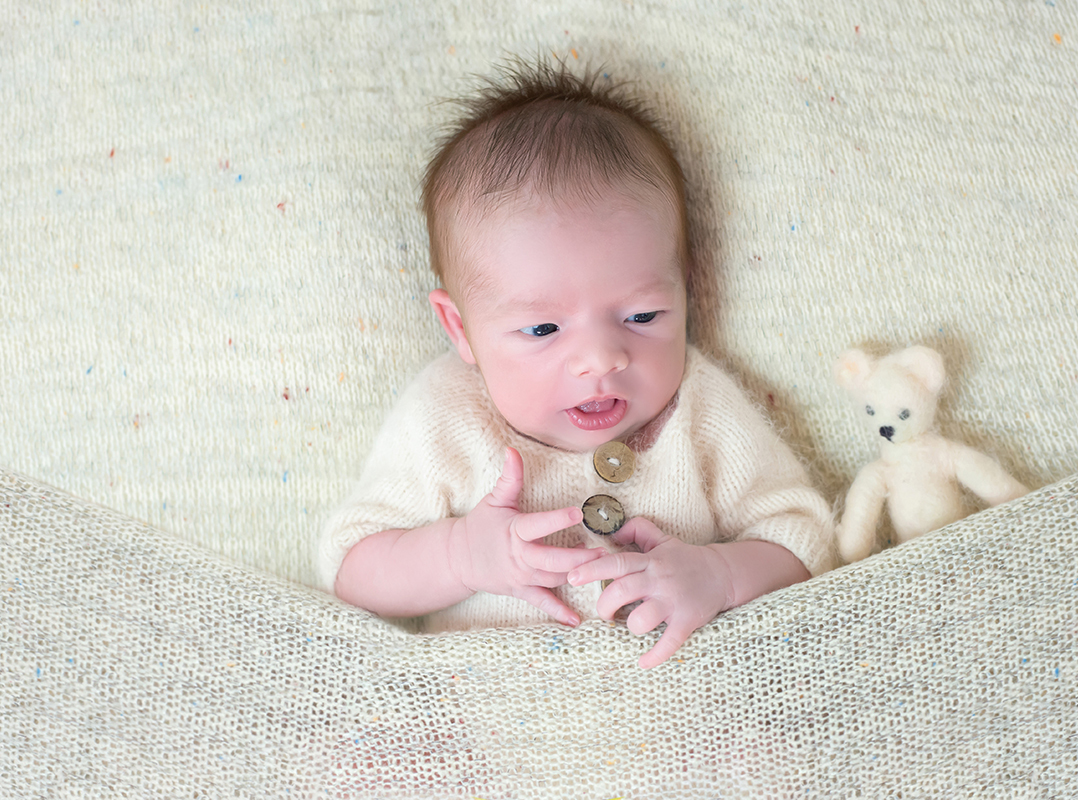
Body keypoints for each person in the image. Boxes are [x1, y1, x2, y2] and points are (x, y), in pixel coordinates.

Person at [316, 61, 835, 669]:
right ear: (460, 329)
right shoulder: (447, 417)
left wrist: (721, 574)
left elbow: (800, 536)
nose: (600, 360)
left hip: (684, 717)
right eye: (542, 329)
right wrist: (460, 557)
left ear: (687, 289)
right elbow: (351, 569)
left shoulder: (700, 409)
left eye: (643, 316)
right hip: (488, 723)